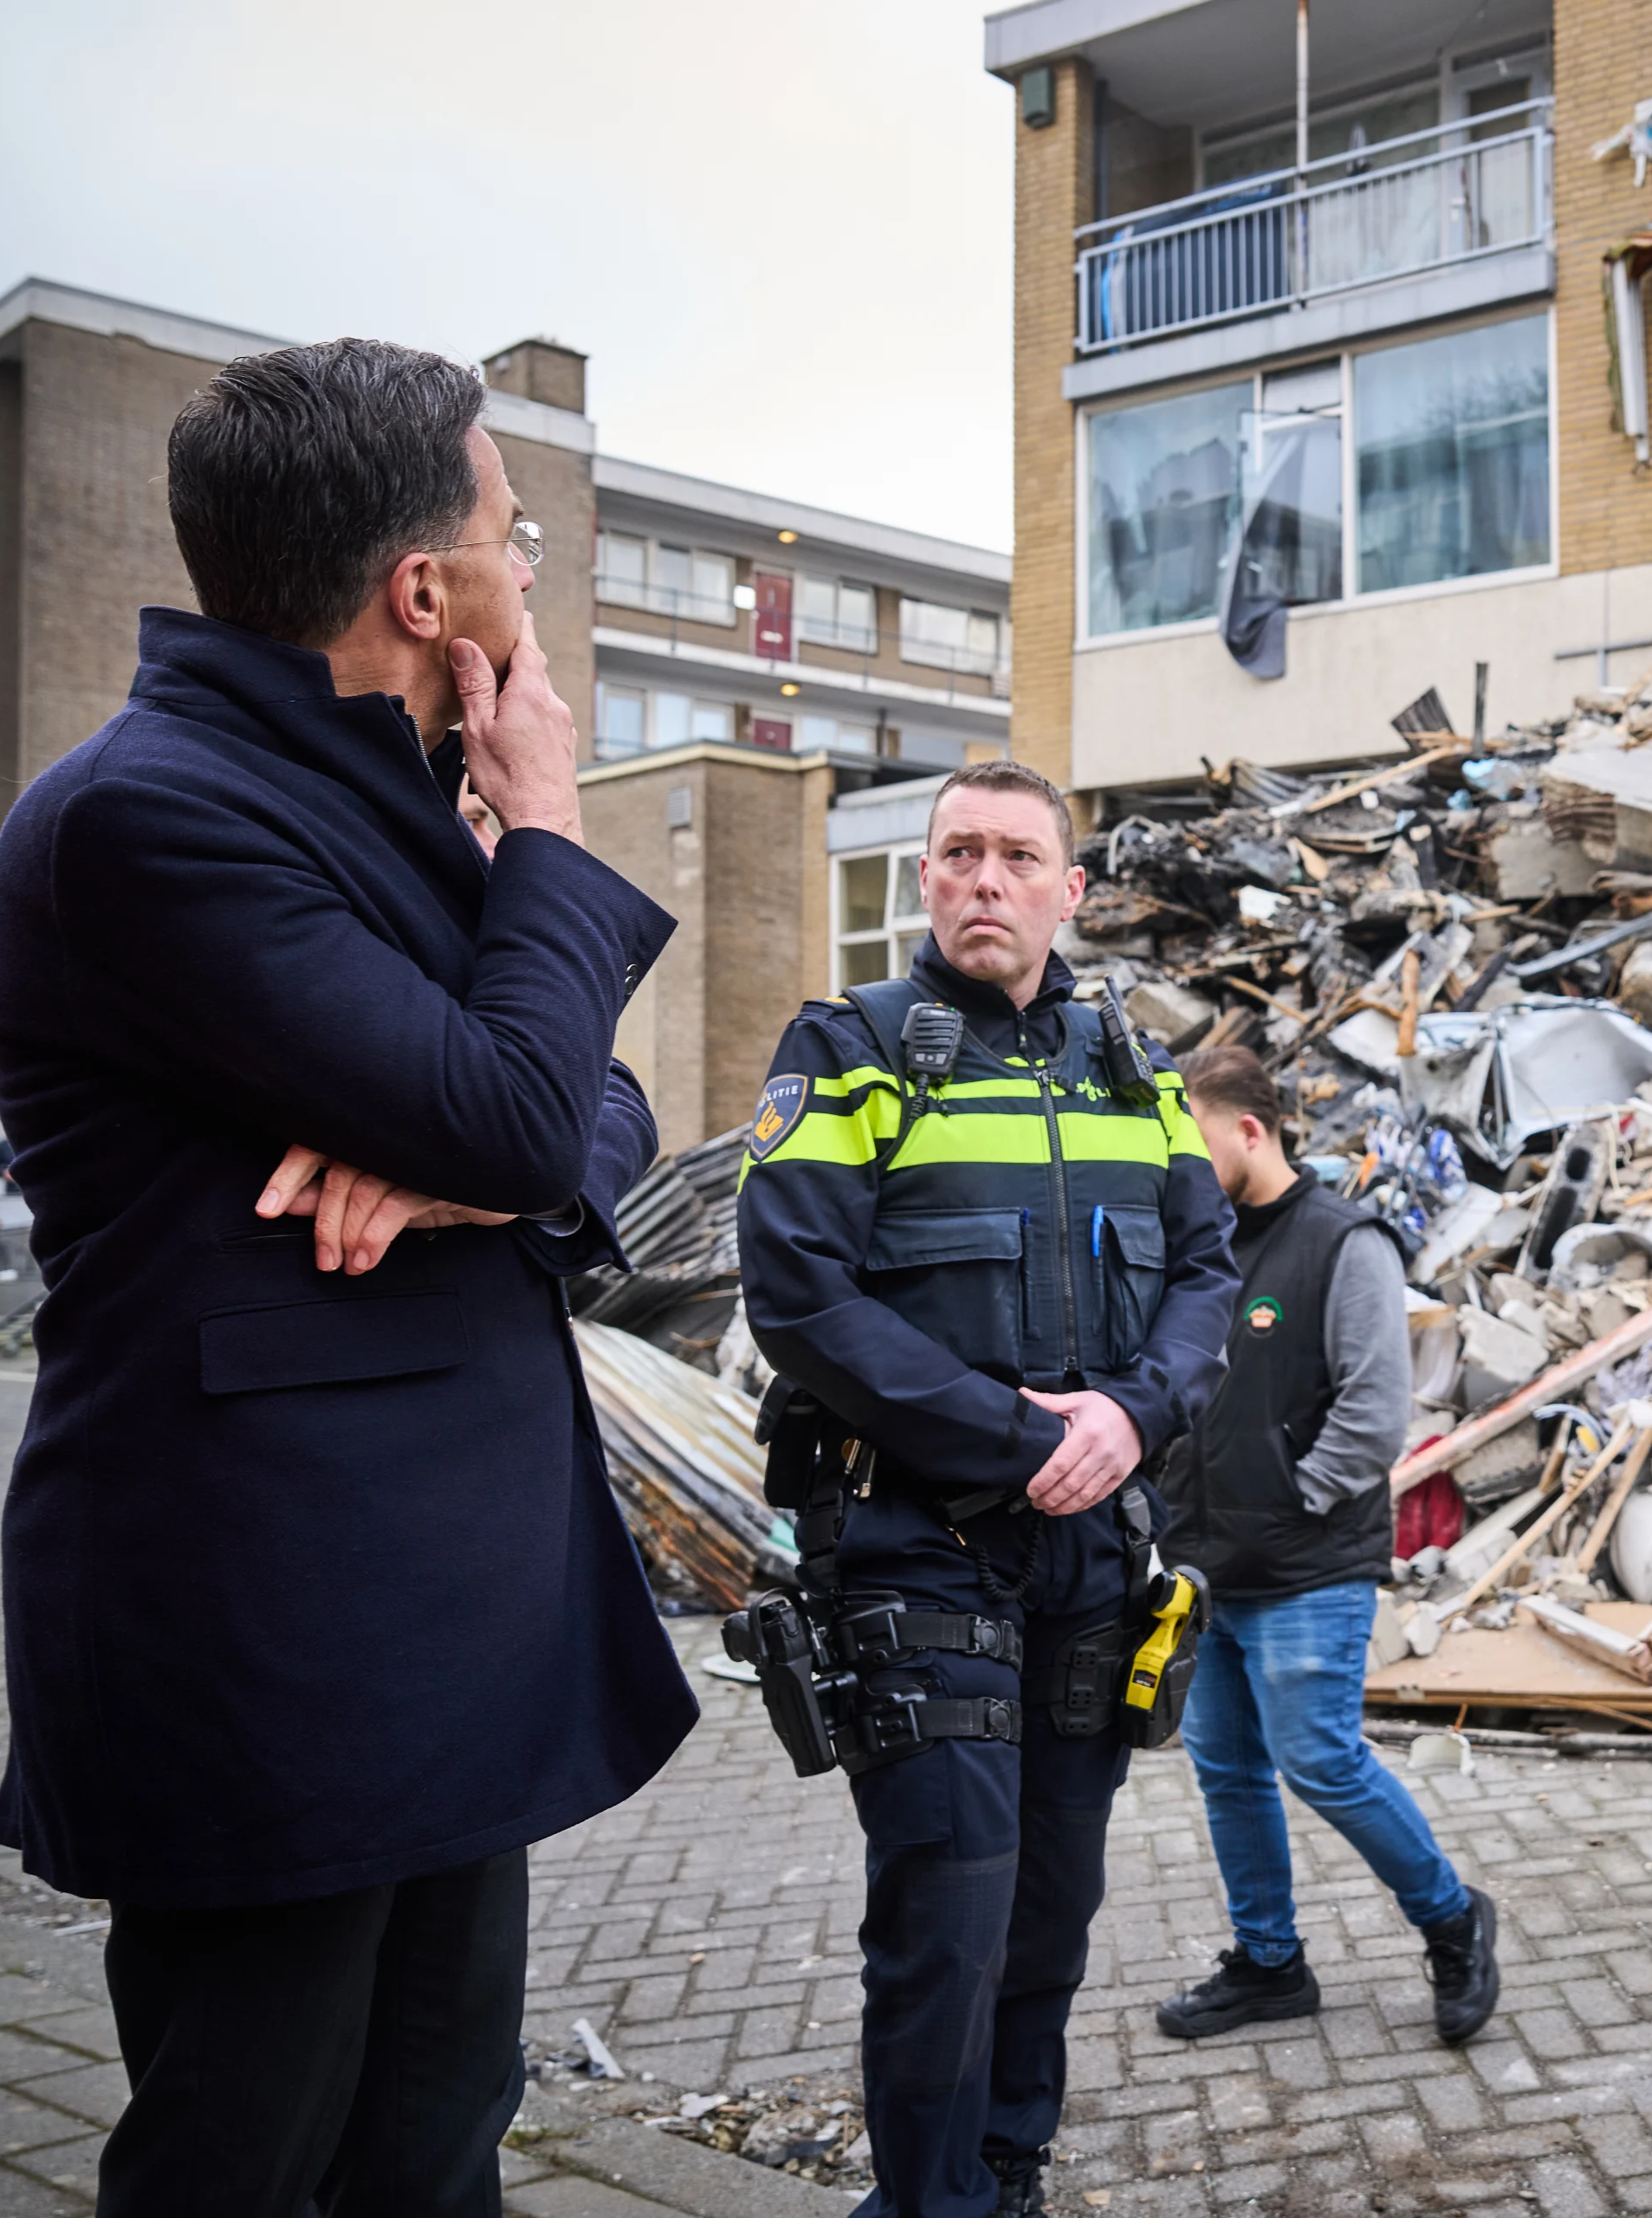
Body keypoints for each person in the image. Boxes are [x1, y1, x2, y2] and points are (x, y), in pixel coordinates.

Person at [0, 339, 695, 2215]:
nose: (532, 573)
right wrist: (547, 825)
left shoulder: (381, 815)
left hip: (449, 1618)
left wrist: (467, 1171)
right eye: (515, 534)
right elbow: (543, 1117)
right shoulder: (156, 816)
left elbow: (593, 1110)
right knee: (246, 2151)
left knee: (435, 2141)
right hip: (270, 1628)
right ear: (424, 590)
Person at [736, 761, 1236, 2218]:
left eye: (1020, 856)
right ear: (924, 880)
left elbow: (1207, 1277)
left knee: (1047, 1913)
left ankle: (1006, 2169)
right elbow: (802, 1300)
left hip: (1093, 1560)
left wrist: (1135, 1420)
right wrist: (1020, 1439)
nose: (985, 880)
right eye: (958, 853)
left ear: (1068, 892)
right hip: (915, 1550)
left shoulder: (1133, 1069)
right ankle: (927, 2201)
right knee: (947, 1913)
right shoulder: (852, 1050)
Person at [1153, 1045, 1501, 2046]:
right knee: (1225, 1767)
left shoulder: (1345, 1242)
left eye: (1192, 1141)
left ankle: (1451, 1920)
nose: (1176, 1163)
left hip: (1306, 1564)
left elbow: (1377, 1409)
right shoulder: (1196, 1249)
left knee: (1321, 1760)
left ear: (1249, 1132)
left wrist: (1286, 1500)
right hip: (1200, 1565)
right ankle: (1269, 1963)